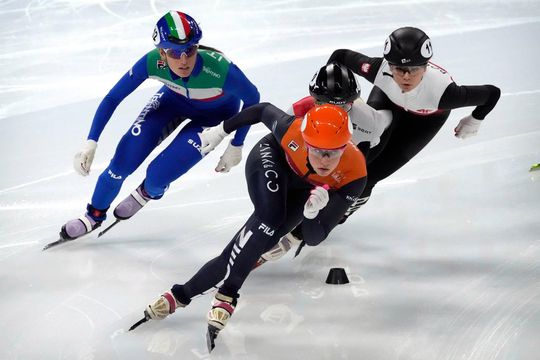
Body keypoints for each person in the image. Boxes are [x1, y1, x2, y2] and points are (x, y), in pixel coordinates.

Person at [137, 103, 367, 350]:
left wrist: (311, 215)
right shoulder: (292, 131)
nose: (324, 160)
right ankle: (228, 293)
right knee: (270, 217)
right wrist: (221, 132)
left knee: (257, 242)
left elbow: (314, 237)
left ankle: (179, 295)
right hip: (272, 159)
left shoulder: (355, 174)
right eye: (317, 150)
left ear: (345, 147)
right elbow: (262, 111)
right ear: (305, 141)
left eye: (332, 152)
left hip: (304, 191)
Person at [60, 11, 260, 240]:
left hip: (213, 117)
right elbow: (112, 98)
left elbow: (254, 99)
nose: (183, 60)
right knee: (122, 162)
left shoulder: (221, 70)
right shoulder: (151, 62)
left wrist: (237, 144)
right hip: (171, 102)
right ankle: (93, 215)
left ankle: (147, 192)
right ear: (162, 52)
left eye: (190, 50)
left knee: (157, 177)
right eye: (175, 53)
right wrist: (91, 141)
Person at [325, 26, 501, 221]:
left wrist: (475, 119)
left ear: (426, 67)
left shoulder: (446, 94)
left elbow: (492, 93)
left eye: (414, 69)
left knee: (372, 175)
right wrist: (335, 96)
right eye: (399, 69)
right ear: (389, 66)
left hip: (424, 121)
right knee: (357, 155)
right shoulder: (377, 69)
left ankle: (339, 214)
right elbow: (339, 56)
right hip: (387, 102)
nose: (406, 76)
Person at [256, 62, 392, 265]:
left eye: (344, 105)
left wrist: (295, 235)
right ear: (314, 100)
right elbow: (283, 153)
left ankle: (297, 234)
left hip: (356, 149)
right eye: (326, 106)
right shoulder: (296, 112)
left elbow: (385, 127)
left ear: (353, 102)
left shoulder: (369, 121)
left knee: (350, 190)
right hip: (317, 156)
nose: (336, 112)